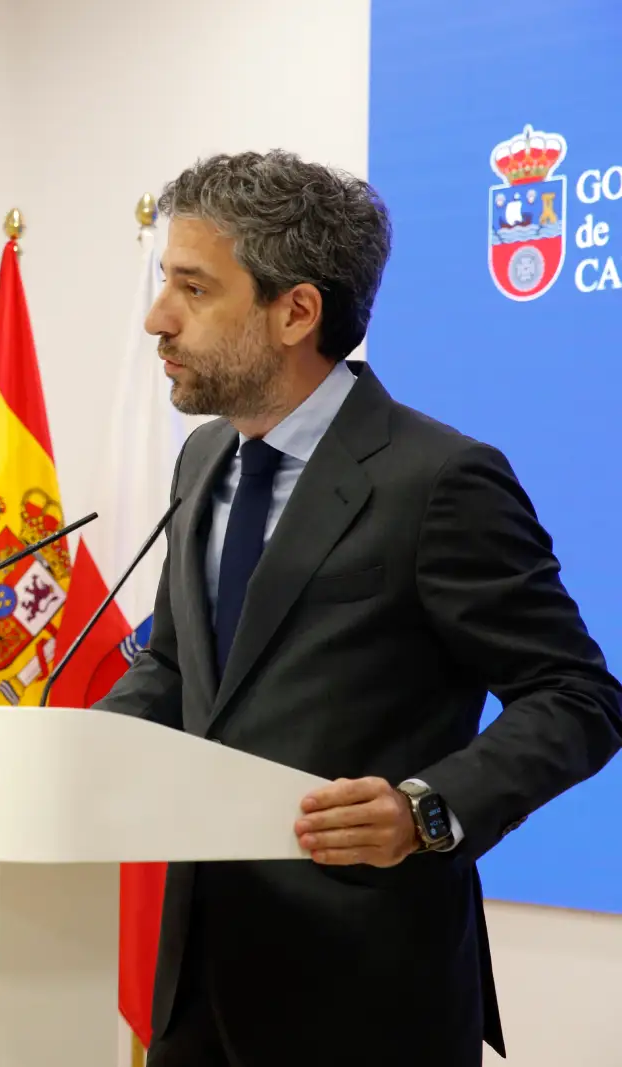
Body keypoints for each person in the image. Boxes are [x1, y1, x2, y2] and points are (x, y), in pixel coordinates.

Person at [95, 150, 622, 1066]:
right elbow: (180, 669)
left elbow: (577, 695)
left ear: (296, 311)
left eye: (192, 287)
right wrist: (68, 754)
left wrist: (427, 808)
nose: (157, 319)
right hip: (195, 986)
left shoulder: (439, 480)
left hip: (366, 996)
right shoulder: (202, 461)